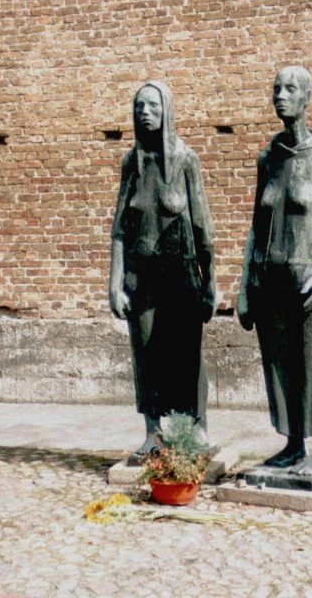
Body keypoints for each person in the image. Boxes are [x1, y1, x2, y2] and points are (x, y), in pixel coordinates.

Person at [237, 66, 312, 476]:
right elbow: (255, 227)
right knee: (279, 364)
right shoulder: (268, 158)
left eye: (290, 89)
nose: (281, 96)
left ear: (306, 98)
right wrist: (244, 287)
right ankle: (291, 445)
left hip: (309, 279)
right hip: (270, 278)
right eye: (276, 89)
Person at [109, 81, 216, 459]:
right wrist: (115, 283)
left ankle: (196, 427)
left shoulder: (186, 160)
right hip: (141, 277)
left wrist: (211, 281)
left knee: (186, 350)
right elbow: (120, 228)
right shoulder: (131, 164)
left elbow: (203, 223)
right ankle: (153, 430)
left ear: (166, 110)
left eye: (152, 105)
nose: (144, 112)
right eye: (139, 106)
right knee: (146, 352)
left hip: (181, 273)